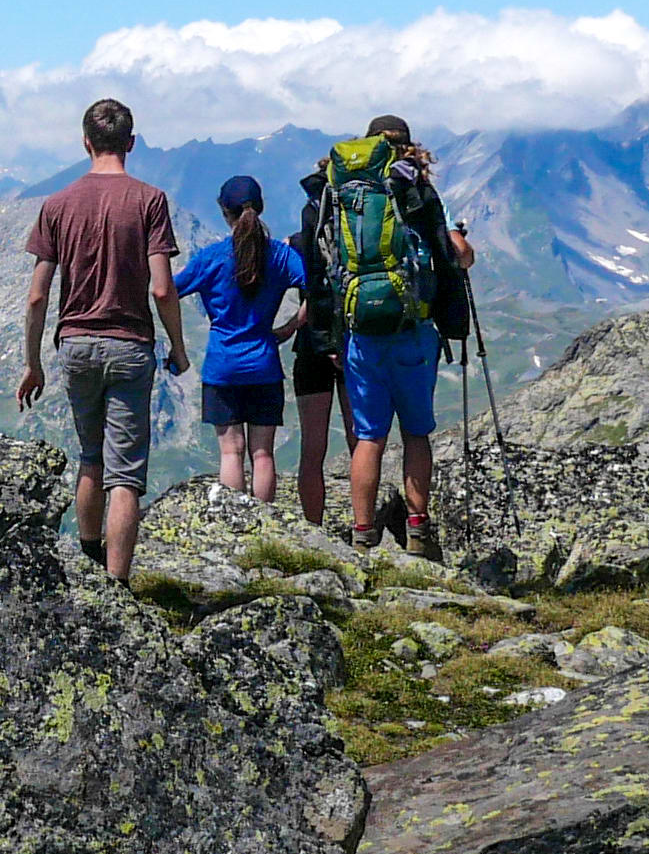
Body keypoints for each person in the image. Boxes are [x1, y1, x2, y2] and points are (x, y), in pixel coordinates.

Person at [16, 95, 186, 575]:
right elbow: (161, 286)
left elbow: (36, 296)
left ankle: (89, 563)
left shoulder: (57, 204)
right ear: (130, 143)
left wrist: (33, 363)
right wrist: (176, 345)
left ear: (86, 142)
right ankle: (117, 585)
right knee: (125, 475)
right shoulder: (149, 200)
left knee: (91, 458)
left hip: (75, 345)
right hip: (130, 345)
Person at [297, 113, 469, 554]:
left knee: (369, 436)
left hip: (358, 335)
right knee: (416, 433)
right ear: (408, 146)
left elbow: (318, 271)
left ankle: (362, 535)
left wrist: (328, 339)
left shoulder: (333, 192)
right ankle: (416, 530)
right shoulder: (416, 191)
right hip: (412, 330)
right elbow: (454, 257)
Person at [175, 174, 305, 498]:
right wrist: (290, 327)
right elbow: (318, 293)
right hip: (264, 362)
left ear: (224, 212)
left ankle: (239, 535)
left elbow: (167, 291)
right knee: (263, 455)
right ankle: (265, 538)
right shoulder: (281, 255)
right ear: (260, 208)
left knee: (230, 452)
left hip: (223, 366)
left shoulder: (211, 258)